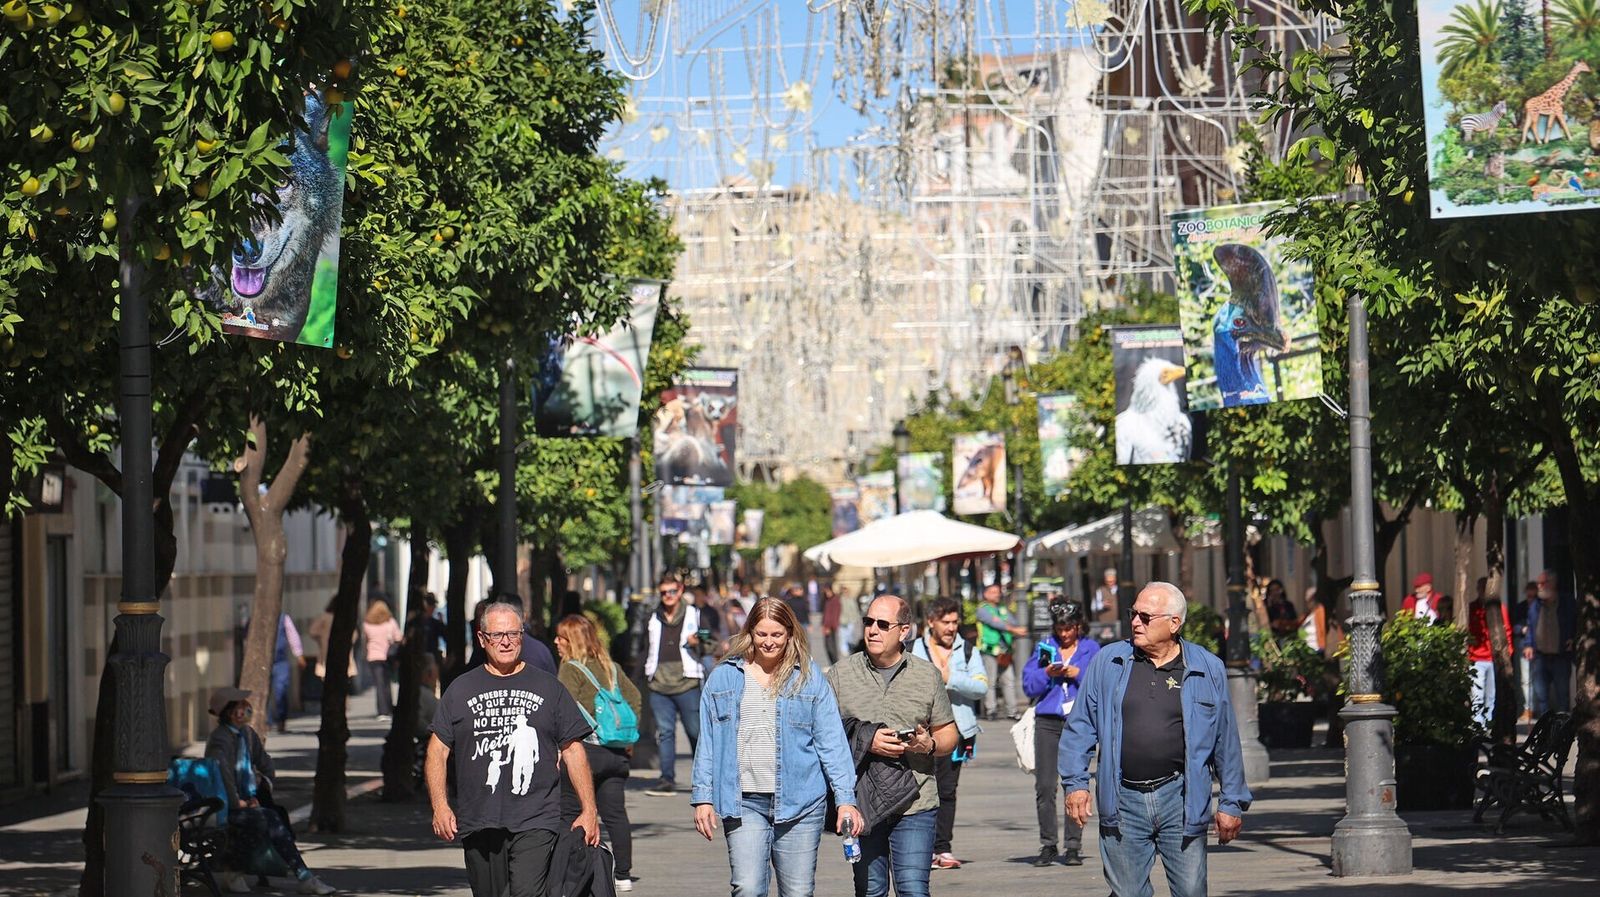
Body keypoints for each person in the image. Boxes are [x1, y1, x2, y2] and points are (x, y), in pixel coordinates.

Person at [1061, 582, 1251, 897]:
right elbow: (1080, 727)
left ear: (1174, 623)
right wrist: (1076, 784)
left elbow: (1225, 741)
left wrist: (1231, 801)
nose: (1135, 622)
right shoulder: (1109, 662)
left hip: (1181, 799)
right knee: (1128, 893)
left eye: (1145, 617)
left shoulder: (1207, 668)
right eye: (1133, 614)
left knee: (1191, 891)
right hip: (1123, 800)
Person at [426, 599, 600, 897]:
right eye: (497, 635)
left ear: (523, 635)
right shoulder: (461, 689)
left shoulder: (548, 687)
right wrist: (440, 806)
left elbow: (573, 750)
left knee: (527, 892)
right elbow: (437, 751)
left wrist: (589, 810)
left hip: (537, 816)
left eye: (513, 634)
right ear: (482, 639)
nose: (506, 642)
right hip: (479, 819)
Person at [692, 598, 863, 897]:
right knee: (747, 888)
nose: (769, 642)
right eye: (761, 634)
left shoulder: (808, 678)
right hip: (743, 801)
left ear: (789, 633)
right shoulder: (724, 677)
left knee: (797, 891)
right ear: (750, 633)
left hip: (802, 801)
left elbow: (831, 740)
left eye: (776, 635)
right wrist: (703, 798)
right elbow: (708, 741)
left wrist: (845, 799)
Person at [827, 594, 959, 897]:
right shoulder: (841, 674)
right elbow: (824, 736)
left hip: (916, 801)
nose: (872, 630)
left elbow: (949, 734)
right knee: (871, 890)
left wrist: (928, 744)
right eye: (868, 622)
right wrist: (866, 739)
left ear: (904, 631)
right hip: (863, 804)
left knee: (913, 890)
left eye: (883, 624)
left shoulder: (926, 675)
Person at [204, 687, 336, 894]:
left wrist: (263, 785)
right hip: (225, 807)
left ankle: (238, 870)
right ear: (229, 712)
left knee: (272, 816)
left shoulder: (247, 734)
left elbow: (265, 762)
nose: (246, 709)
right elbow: (224, 777)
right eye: (240, 706)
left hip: (248, 802)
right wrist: (239, 802)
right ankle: (303, 877)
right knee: (269, 818)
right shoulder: (220, 739)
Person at [554, 614, 643, 893]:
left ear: (573, 641)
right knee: (616, 814)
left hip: (587, 751)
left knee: (570, 811)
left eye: (561, 637)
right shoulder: (611, 666)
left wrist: (559, 748)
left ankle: (574, 869)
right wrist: (627, 735)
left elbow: (563, 709)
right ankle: (624, 874)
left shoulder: (571, 669)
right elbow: (635, 699)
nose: (556, 642)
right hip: (616, 753)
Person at [908, 596, 988, 870]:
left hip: (957, 731)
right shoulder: (913, 649)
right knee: (918, 789)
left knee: (947, 791)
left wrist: (950, 679)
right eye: (946, 622)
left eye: (955, 622)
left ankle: (943, 848)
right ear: (931, 622)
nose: (952, 628)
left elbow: (982, 687)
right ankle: (922, 849)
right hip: (920, 733)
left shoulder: (967, 650)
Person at [1021, 602, 1100, 868]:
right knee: (1044, 785)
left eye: (1069, 628)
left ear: (1079, 625)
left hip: (1077, 723)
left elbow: (1099, 682)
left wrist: (1078, 674)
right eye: (1060, 628)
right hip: (1047, 721)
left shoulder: (1091, 649)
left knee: (1074, 783)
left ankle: (1074, 845)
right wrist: (1046, 673)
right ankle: (1048, 844)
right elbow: (1028, 685)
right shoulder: (1045, 647)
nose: (1064, 634)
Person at [644, 574, 703, 796]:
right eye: (663, 592)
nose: (667, 596)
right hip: (659, 683)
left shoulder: (694, 614)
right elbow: (645, 647)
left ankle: (704, 779)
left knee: (695, 732)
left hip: (687, 682)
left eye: (671, 591)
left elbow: (711, 642)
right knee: (665, 733)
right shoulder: (653, 616)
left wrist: (700, 641)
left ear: (679, 591)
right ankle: (666, 778)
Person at [1524, 569, 1576, 715]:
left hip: (1560, 657)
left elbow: (1576, 624)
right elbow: (1530, 627)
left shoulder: (1567, 603)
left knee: (1562, 697)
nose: (1539, 586)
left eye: (1542, 583)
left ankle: (1563, 731)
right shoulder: (1535, 605)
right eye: (1538, 583)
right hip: (1540, 657)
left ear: (1552, 584)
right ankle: (1546, 732)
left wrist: (1574, 639)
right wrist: (1528, 644)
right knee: (1542, 698)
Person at [1466, 577, 1513, 730]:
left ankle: (1489, 722)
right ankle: (1478, 723)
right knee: (1477, 694)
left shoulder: (1499, 608)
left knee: (1492, 694)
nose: (1482, 592)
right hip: (1476, 657)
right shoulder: (1471, 608)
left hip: (1493, 657)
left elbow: (1506, 630)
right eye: (1480, 589)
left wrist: (1509, 650)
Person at [974, 583, 1025, 719]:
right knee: (990, 681)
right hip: (989, 650)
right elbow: (995, 623)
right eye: (993, 592)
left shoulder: (1002, 609)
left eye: (998, 592)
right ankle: (991, 710)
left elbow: (1012, 621)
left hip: (1004, 651)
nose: (997, 594)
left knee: (1008, 680)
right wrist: (1012, 629)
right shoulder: (982, 609)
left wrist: (1009, 625)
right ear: (985, 594)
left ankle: (1012, 711)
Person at [362, 597, 403, 720]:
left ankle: (382, 710)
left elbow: (366, 640)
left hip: (373, 657)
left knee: (379, 684)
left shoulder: (367, 624)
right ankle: (388, 709)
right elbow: (399, 638)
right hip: (387, 656)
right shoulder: (390, 623)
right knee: (386, 683)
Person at [270, 612, 306, 733]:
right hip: (264, 662)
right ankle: (266, 721)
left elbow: (292, 635)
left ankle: (281, 720)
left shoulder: (283, 618)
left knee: (281, 690)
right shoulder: (255, 617)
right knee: (263, 693)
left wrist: (299, 654)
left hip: (280, 661)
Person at [836, 584, 863, 659]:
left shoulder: (851, 599)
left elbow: (855, 609)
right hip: (842, 621)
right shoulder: (839, 600)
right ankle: (844, 651)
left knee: (850, 637)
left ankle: (850, 650)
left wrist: (857, 618)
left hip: (851, 621)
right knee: (842, 637)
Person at [821, 586, 843, 665]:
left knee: (831, 646)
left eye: (828, 592)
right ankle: (832, 663)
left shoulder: (835, 600)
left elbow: (835, 615)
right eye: (826, 592)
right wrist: (823, 624)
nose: (827, 594)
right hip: (826, 626)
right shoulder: (827, 600)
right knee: (827, 646)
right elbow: (825, 614)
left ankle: (835, 662)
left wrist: (830, 626)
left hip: (831, 627)